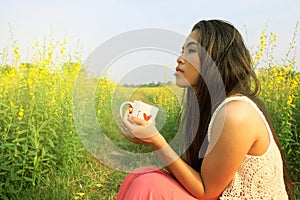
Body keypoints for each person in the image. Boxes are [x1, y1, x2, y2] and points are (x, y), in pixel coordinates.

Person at [117, 19, 293, 200]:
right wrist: (149, 136)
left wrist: (156, 140)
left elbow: (207, 191)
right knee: (139, 175)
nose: (179, 58)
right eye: (182, 50)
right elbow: (196, 176)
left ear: (217, 58)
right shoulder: (207, 108)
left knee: (147, 185)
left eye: (192, 50)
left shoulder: (236, 113)